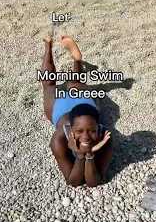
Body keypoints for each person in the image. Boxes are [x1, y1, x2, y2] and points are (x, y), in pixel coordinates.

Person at [40, 34, 112, 187]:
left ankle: (72, 57)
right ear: (70, 128)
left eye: (91, 131)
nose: (86, 137)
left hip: (79, 105)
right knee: (58, 84)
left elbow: (92, 182)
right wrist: (82, 155)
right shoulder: (58, 140)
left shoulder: (106, 137)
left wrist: (86, 155)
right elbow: (74, 182)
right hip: (63, 107)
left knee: (51, 84)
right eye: (79, 131)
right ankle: (50, 47)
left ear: (98, 127)